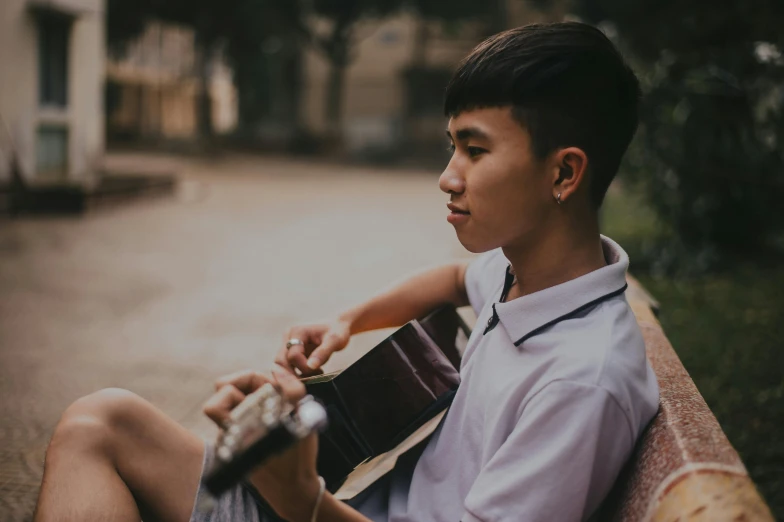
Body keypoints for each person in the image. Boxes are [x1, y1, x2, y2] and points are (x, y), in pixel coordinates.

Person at [33, 22, 659, 522]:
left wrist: (298, 494)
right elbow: (451, 280)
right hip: (340, 509)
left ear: (563, 174)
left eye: (474, 150)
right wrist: (346, 323)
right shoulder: (529, 275)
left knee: (101, 430)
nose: (447, 176)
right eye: (451, 147)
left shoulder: (584, 382)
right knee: (102, 418)